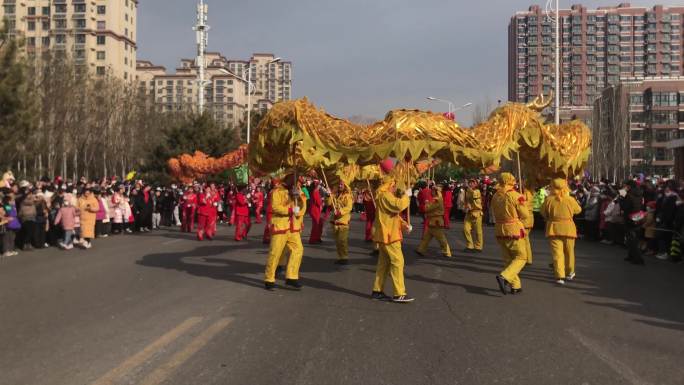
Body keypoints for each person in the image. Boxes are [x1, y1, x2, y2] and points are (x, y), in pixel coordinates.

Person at [371, 175, 414, 303]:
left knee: (383, 264)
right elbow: (399, 206)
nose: (395, 187)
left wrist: (405, 224)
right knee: (398, 262)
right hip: (390, 236)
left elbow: (393, 216)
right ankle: (399, 293)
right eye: (393, 185)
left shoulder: (384, 196)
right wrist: (407, 195)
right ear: (389, 184)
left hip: (387, 235)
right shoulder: (385, 195)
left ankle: (377, 290)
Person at [263, 173, 307, 290]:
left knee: (298, 249)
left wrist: (298, 198)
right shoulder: (277, 191)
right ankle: (269, 279)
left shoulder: (298, 190)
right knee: (275, 253)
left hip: (293, 228)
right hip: (280, 226)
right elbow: (275, 207)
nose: (294, 180)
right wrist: (290, 209)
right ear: (286, 178)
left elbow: (302, 208)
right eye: (292, 177)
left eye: (296, 178)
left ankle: (291, 277)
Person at [492, 173, 530, 295]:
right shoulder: (515, 195)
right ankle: (504, 277)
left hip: (499, 229)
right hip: (513, 229)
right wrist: (525, 203)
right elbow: (525, 215)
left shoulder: (495, 196)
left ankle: (515, 286)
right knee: (521, 257)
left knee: (508, 259)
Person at [541, 178, 582, 285]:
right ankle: (570, 272)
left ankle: (559, 276)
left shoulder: (548, 199)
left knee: (557, 253)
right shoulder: (570, 199)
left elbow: (543, 213)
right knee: (569, 252)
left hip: (553, 228)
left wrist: (550, 217)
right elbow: (578, 210)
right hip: (568, 228)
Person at [416, 184, 452, 258]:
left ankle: (447, 252)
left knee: (441, 238)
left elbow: (428, 208)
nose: (431, 192)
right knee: (426, 237)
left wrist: (426, 203)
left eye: (433, 191)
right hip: (432, 221)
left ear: (436, 192)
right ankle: (421, 249)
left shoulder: (437, 199)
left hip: (436, 222)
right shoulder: (436, 199)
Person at [619, 180, 644, 265]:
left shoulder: (629, 195)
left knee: (632, 239)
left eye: (625, 185)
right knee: (633, 238)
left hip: (630, 217)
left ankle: (637, 258)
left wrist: (621, 198)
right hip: (638, 217)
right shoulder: (639, 194)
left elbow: (625, 207)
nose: (624, 187)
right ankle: (631, 255)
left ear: (629, 186)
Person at [329, 181, 353, 265]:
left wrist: (340, 212)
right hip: (335, 221)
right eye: (339, 184)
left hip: (343, 221)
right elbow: (328, 203)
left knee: (342, 240)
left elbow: (349, 207)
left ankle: (344, 257)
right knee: (337, 241)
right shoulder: (334, 195)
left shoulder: (348, 196)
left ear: (345, 186)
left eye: (341, 184)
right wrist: (329, 195)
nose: (340, 186)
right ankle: (340, 257)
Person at [463, 179, 483, 253]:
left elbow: (473, 195)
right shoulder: (467, 191)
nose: (471, 184)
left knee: (478, 231)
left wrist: (467, 188)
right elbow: (466, 201)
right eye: (470, 182)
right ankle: (470, 245)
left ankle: (478, 247)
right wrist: (465, 207)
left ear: (476, 184)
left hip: (477, 213)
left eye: (472, 183)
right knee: (465, 229)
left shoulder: (477, 191)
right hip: (469, 213)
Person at [521, 184, 534, 264]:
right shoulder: (529, 193)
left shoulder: (526, 194)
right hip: (529, 219)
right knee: (525, 239)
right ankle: (527, 258)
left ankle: (527, 258)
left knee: (525, 239)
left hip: (525, 220)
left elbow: (523, 205)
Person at [308, 179, 324, 244]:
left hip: (316, 210)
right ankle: (313, 239)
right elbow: (318, 202)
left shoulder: (315, 191)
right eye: (318, 185)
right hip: (315, 210)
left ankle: (317, 237)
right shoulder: (315, 191)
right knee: (316, 225)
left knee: (319, 224)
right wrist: (322, 202)